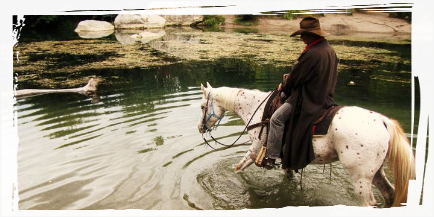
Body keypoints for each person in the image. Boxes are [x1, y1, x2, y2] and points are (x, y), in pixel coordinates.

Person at [259, 16, 338, 170]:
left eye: (303, 34)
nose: (301, 37)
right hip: (326, 97)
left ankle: (272, 156)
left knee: (276, 118)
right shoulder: (329, 50)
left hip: (308, 99)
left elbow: (295, 81)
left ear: (312, 35)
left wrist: (284, 85)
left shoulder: (312, 53)